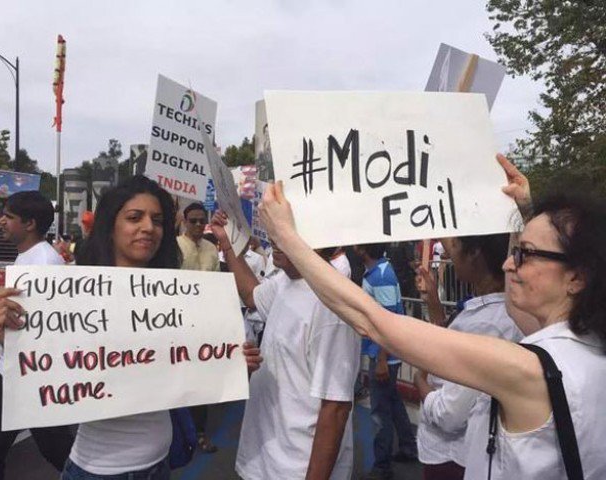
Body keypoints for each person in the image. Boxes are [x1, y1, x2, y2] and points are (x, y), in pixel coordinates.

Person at [258, 154, 606, 479]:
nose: (507, 264)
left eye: (525, 254)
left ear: (578, 276)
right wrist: (525, 210)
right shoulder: (585, 349)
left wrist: (288, 236)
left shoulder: (532, 369)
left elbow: (374, 322)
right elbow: (514, 305)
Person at [0, 176, 262, 479]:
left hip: (159, 465)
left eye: (157, 220)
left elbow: (189, 372)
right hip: (98, 470)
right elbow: (47, 372)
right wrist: (11, 341)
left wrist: (232, 365)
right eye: (134, 217)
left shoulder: (178, 297)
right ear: (110, 225)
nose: (148, 227)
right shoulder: (70, 291)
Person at [211, 212, 361, 480]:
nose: (276, 238)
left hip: (297, 468)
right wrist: (227, 243)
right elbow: (251, 294)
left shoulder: (332, 306)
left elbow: (336, 409)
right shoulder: (286, 281)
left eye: (290, 231)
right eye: (277, 230)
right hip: (264, 460)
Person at [0, 191, 74, 479]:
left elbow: (43, 332)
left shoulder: (41, 264)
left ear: (29, 224)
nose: (1, 221)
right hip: (20, 371)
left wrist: (2, 331)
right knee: (57, 449)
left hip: (22, 374)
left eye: (9, 217)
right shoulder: (30, 257)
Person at [413, 233, 523, 480]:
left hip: (453, 460)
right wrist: (435, 309)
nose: (449, 249)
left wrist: (422, 385)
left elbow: (449, 414)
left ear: (474, 253)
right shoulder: (486, 313)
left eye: (454, 242)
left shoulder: (487, 326)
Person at [354, 243, 417, 480]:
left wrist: (382, 359)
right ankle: (408, 447)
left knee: (380, 413)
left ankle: (382, 466)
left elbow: (387, 321)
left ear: (365, 249)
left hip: (384, 355)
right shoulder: (376, 271)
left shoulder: (381, 275)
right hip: (383, 353)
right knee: (392, 401)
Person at [176, 202, 220, 453]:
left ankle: (200, 433)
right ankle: (181, 433)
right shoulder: (174, 247)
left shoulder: (212, 249)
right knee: (179, 382)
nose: (197, 225)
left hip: (204, 326)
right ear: (183, 220)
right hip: (178, 325)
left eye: (201, 221)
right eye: (192, 220)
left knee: (201, 384)